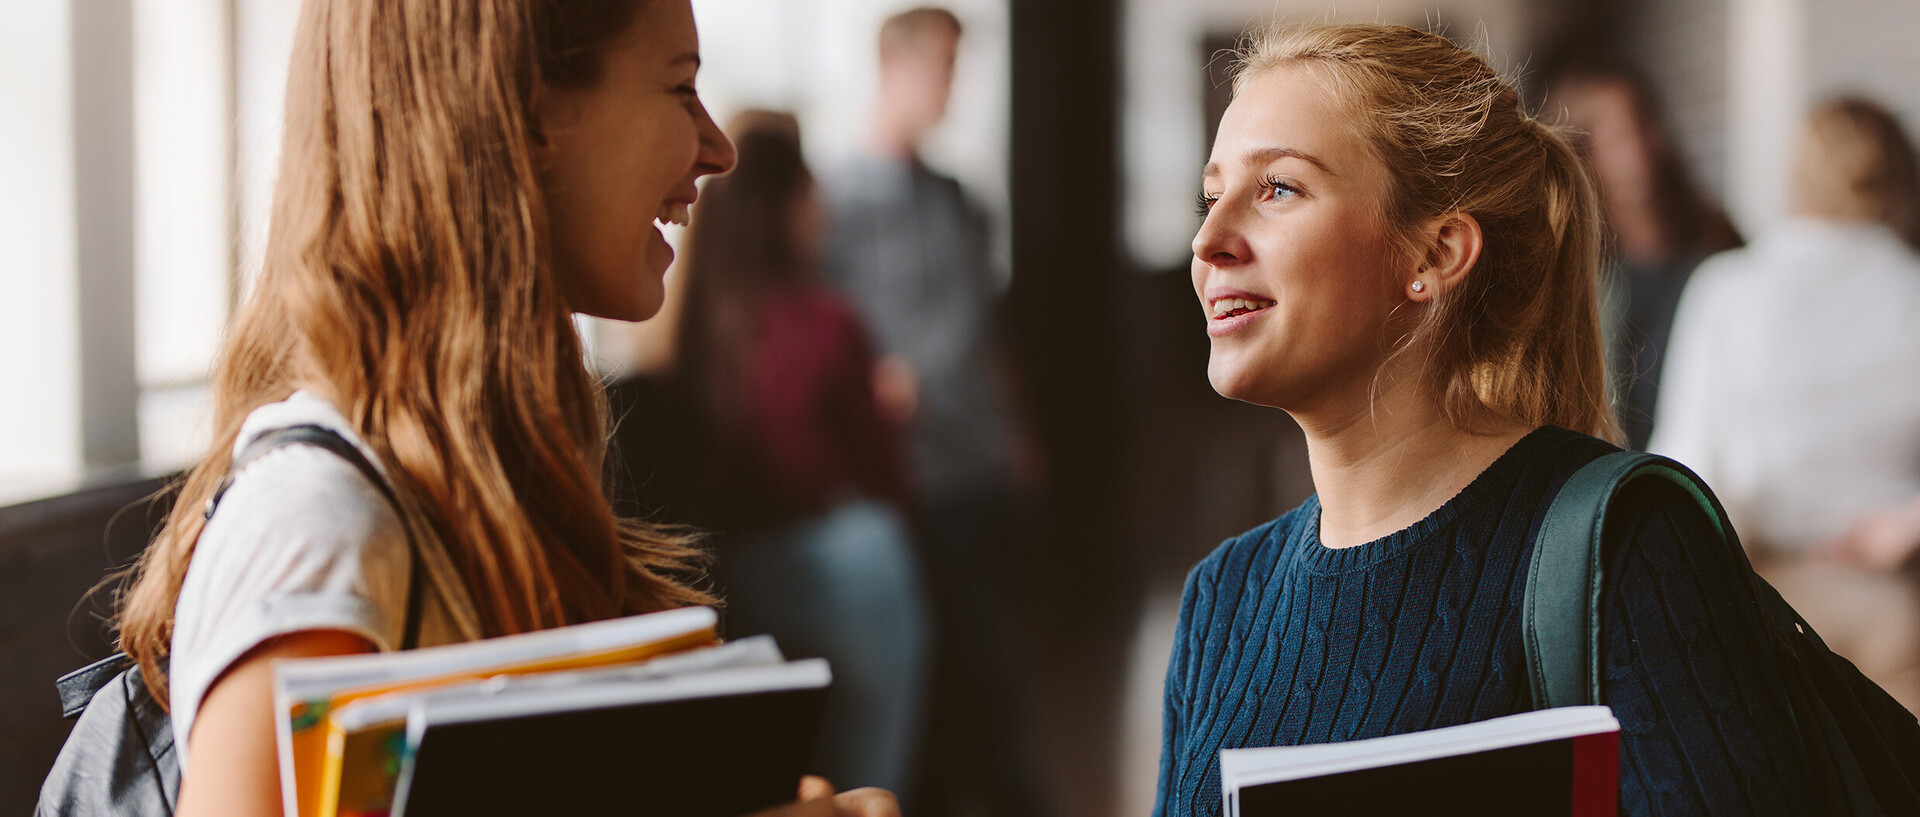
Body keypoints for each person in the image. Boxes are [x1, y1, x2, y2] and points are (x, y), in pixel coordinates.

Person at [110, 2, 896, 815]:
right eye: (679, 88)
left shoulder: (462, 482)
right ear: (525, 108)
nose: (717, 148)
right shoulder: (321, 527)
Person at [1156, 22, 1862, 816]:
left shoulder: (1630, 545)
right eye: (1211, 198)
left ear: (1435, 253)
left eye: (1278, 188)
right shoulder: (1221, 602)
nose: (1208, 240)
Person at [822, 8, 1049, 816]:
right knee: (955, 683)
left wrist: (1019, 435)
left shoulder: (958, 197)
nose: (955, 87)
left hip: (980, 463)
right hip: (906, 476)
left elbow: (991, 329)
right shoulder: (830, 202)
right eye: (945, 67)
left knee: (985, 668)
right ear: (898, 67)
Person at [666, 111, 931, 795]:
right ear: (784, 205)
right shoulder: (825, 321)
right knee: (870, 777)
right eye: (811, 192)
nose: (823, 208)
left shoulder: (691, 330)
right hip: (844, 566)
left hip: (730, 576)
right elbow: (886, 476)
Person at [1650, 95, 1920, 709]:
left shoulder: (1729, 288)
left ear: (1799, 176)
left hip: (1767, 602)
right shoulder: (1913, 290)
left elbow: (1691, 463)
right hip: (1891, 604)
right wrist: (1902, 527)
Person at [1548, 65, 1743, 449]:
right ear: (1585, 154)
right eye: (1619, 136)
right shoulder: (1576, 269)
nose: (1639, 148)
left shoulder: (1716, 238)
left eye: (1644, 125)